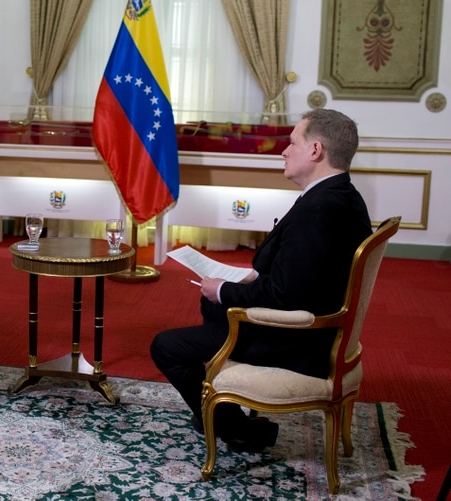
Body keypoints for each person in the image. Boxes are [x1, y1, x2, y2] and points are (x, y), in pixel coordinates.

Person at [150, 108, 372, 452]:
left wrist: (224, 288)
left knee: (167, 347)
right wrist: (243, 280)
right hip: (316, 324)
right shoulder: (340, 195)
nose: (284, 151)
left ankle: (239, 429)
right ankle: (219, 406)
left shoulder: (320, 209)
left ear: (315, 151)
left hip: (299, 340)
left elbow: (284, 297)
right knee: (212, 307)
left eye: (292, 143)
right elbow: (303, 274)